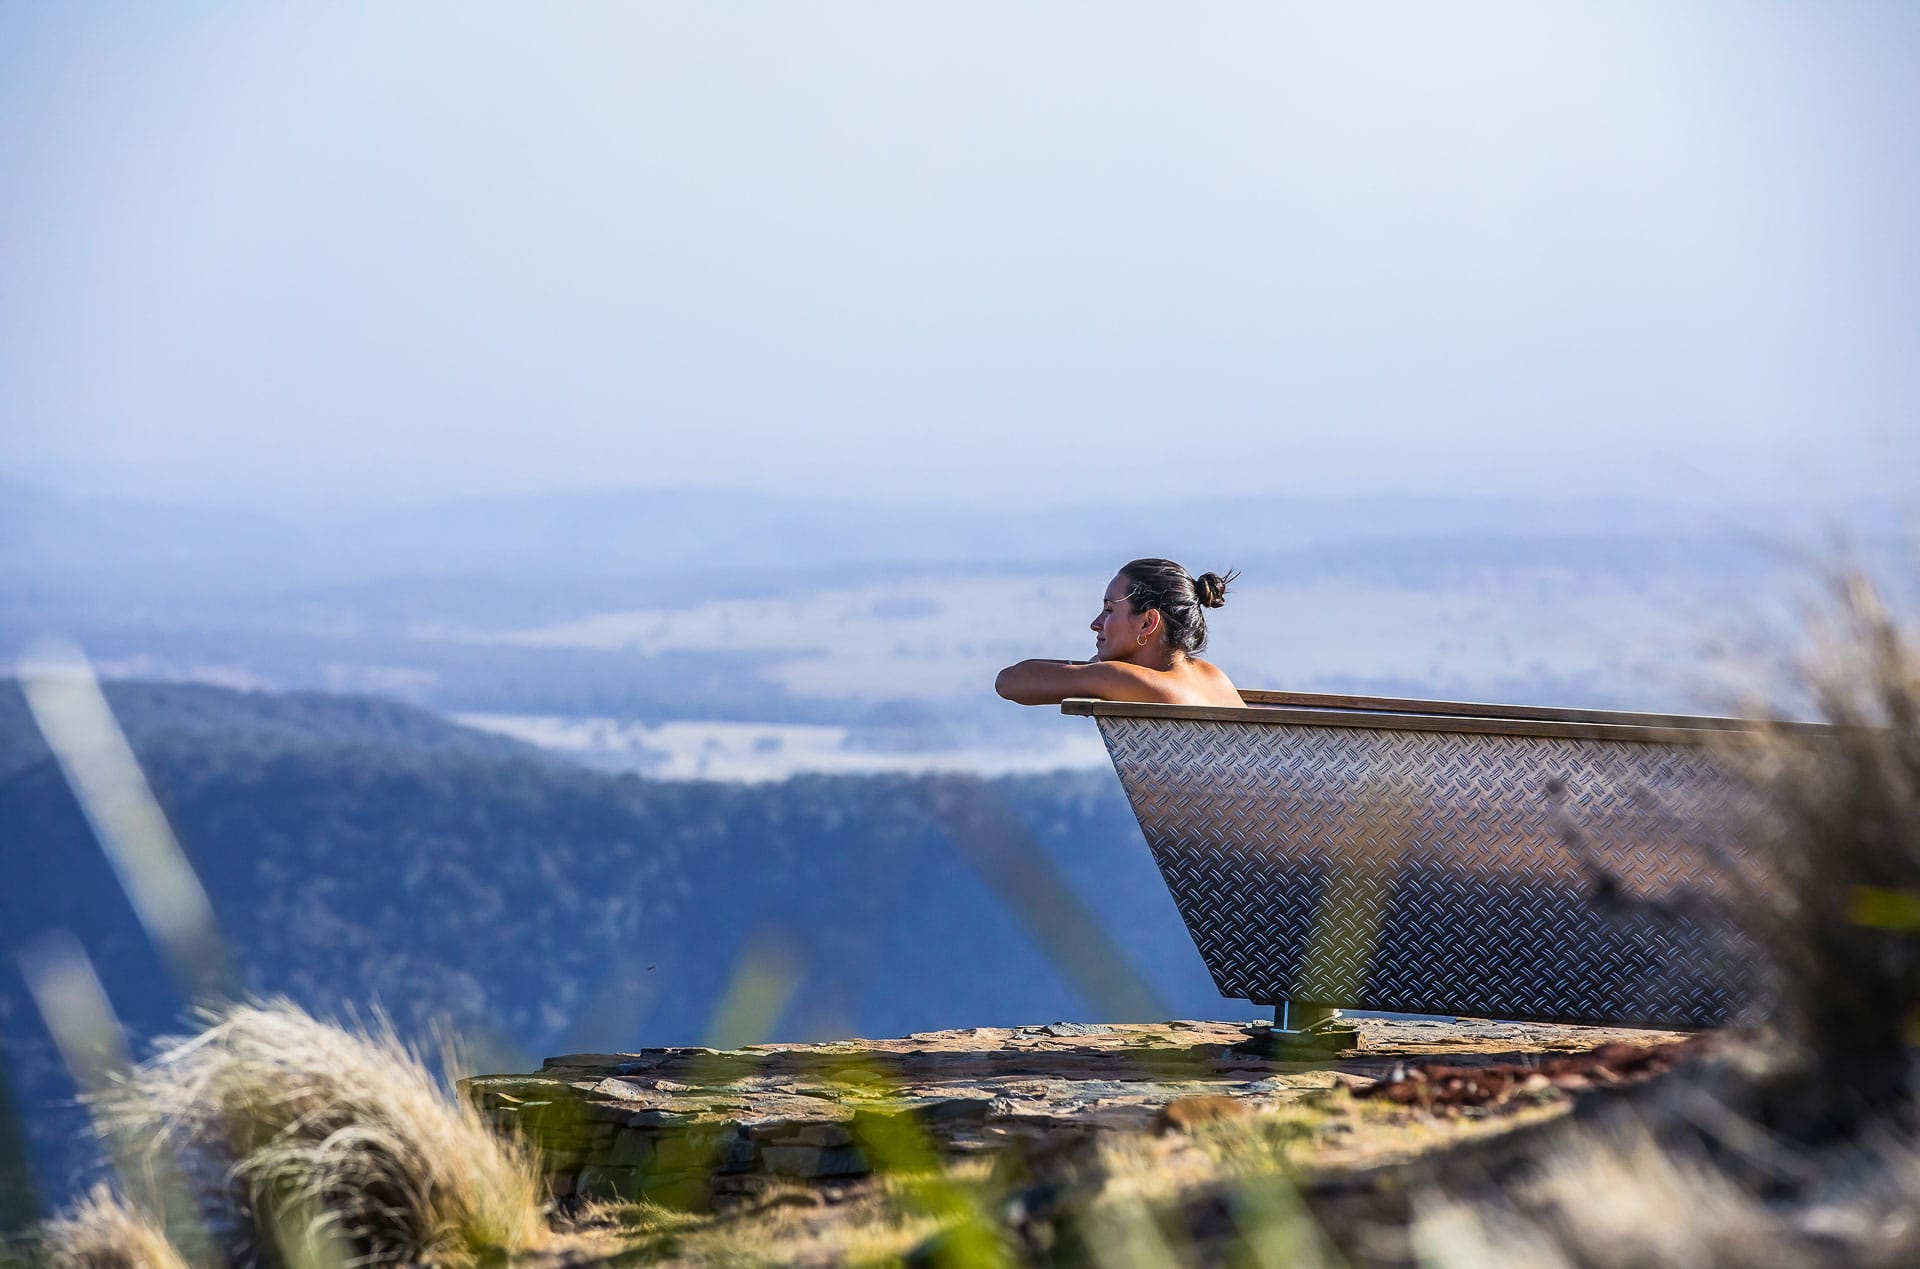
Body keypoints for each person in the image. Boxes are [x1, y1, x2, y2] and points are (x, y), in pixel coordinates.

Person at [995, 559, 1243, 707]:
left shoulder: (1123, 679)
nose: (1096, 623)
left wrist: (1095, 670)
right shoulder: (1214, 677)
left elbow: (1009, 682)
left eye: (1109, 610)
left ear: (1148, 623)